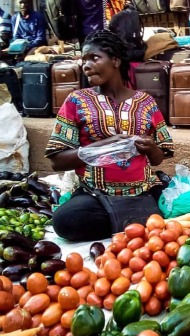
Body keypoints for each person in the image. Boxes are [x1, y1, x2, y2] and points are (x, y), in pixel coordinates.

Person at [44, 29, 174, 241]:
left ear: (115, 60)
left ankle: (134, 222)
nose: (86, 66)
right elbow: (57, 162)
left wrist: (150, 146)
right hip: (96, 196)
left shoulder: (146, 102)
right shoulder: (77, 100)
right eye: (83, 60)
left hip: (141, 193)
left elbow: (158, 159)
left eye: (94, 58)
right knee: (65, 221)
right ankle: (137, 225)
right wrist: (105, 144)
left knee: (178, 208)